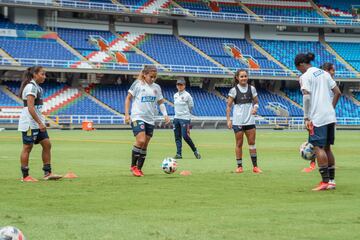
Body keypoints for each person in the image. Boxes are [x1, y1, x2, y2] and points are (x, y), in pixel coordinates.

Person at [295, 53, 341, 191]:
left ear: (301, 65)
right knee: (327, 148)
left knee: (318, 147)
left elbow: (307, 98)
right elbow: (338, 92)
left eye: (298, 68)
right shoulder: (325, 73)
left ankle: (324, 182)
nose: (299, 71)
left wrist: (306, 117)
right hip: (330, 116)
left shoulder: (305, 76)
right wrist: (330, 108)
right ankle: (331, 181)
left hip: (317, 117)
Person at [18, 66, 62, 182]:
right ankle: (25, 176)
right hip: (29, 123)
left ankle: (47, 173)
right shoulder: (31, 87)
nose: (44, 76)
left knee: (47, 144)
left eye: (45, 74)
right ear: (34, 74)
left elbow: (36, 108)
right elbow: (30, 108)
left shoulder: (38, 88)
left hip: (37, 123)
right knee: (27, 147)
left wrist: (41, 122)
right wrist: (39, 122)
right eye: (42, 74)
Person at [125, 65, 170, 177]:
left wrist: (165, 115)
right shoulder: (137, 84)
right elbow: (128, 98)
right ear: (144, 75)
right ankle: (133, 166)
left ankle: (139, 169)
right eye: (151, 76)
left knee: (145, 144)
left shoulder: (157, 88)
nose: (153, 79)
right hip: (138, 116)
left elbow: (160, 102)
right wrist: (126, 114)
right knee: (140, 140)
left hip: (150, 119)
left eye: (155, 77)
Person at [226, 69, 262, 174]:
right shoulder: (234, 90)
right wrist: (228, 120)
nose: (244, 78)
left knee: (252, 143)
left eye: (245, 76)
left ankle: (255, 167)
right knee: (239, 144)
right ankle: (239, 166)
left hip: (250, 121)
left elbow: (256, 102)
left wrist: (255, 108)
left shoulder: (252, 89)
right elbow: (228, 106)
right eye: (241, 76)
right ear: (237, 78)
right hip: (238, 122)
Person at [173, 79, 201, 160]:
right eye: (178, 84)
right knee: (177, 137)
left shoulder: (187, 95)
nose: (179, 86)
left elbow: (191, 106)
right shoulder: (175, 95)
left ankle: (195, 150)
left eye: (181, 85)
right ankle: (179, 154)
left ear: (184, 86)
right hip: (176, 118)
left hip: (185, 118)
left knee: (185, 136)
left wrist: (185, 114)